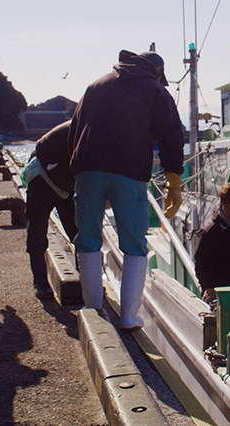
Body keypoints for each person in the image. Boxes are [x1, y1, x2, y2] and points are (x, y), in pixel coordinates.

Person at [68, 49, 184, 331]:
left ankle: (92, 307)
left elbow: (75, 129)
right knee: (134, 243)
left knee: (88, 238)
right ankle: (129, 317)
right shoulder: (156, 91)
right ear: (157, 72)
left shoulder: (96, 85)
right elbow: (171, 137)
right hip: (130, 172)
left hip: (88, 169)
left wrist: (80, 169)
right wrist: (174, 181)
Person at [20, 121, 78, 299]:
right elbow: (41, 148)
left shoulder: (101, 134)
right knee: (37, 230)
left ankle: (88, 281)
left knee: (78, 232)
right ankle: (40, 282)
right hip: (42, 178)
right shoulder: (76, 129)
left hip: (68, 186)